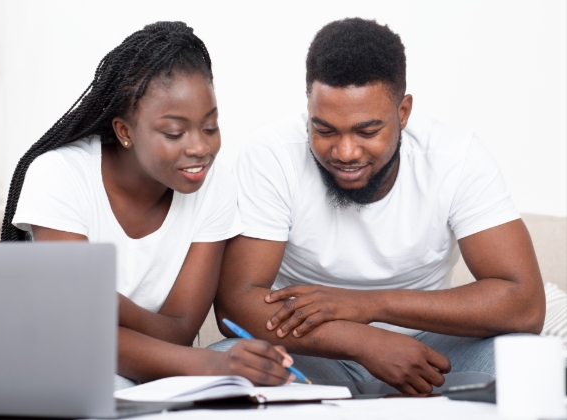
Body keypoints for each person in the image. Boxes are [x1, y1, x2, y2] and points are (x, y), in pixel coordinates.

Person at [212, 17, 545, 394]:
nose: (345, 152)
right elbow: (235, 304)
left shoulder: (455, 157)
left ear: (403, 112)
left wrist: (370, 305)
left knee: (530, 361)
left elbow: (525, 305)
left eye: (367, 131)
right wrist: (365, 342)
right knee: (230, 363)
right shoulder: (272, 154)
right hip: (317, 350)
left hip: (433, 350)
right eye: (324, 130)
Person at [1, 21, 295, 389]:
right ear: (125, 131)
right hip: (57, 367)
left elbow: (180, 330)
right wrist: (211, 365)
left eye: (210, 127)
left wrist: (109, 306)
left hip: (159, 371)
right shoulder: (60, 176)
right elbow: (75, 334)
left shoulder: (214, 185)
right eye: (174, 133)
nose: (199, 148)